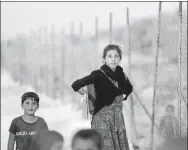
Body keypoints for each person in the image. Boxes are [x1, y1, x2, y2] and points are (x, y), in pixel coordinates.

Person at [71, 44, 133, 150]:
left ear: (120, 58)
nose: (113, 59)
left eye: (116, 56)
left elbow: (129, 88)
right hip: (102, 121)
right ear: (104, 58)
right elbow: (76, 85)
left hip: (118, 120)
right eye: (109, 56)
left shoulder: (122, 75)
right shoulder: (97, 75)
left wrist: (123, 95)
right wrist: (87, 95)